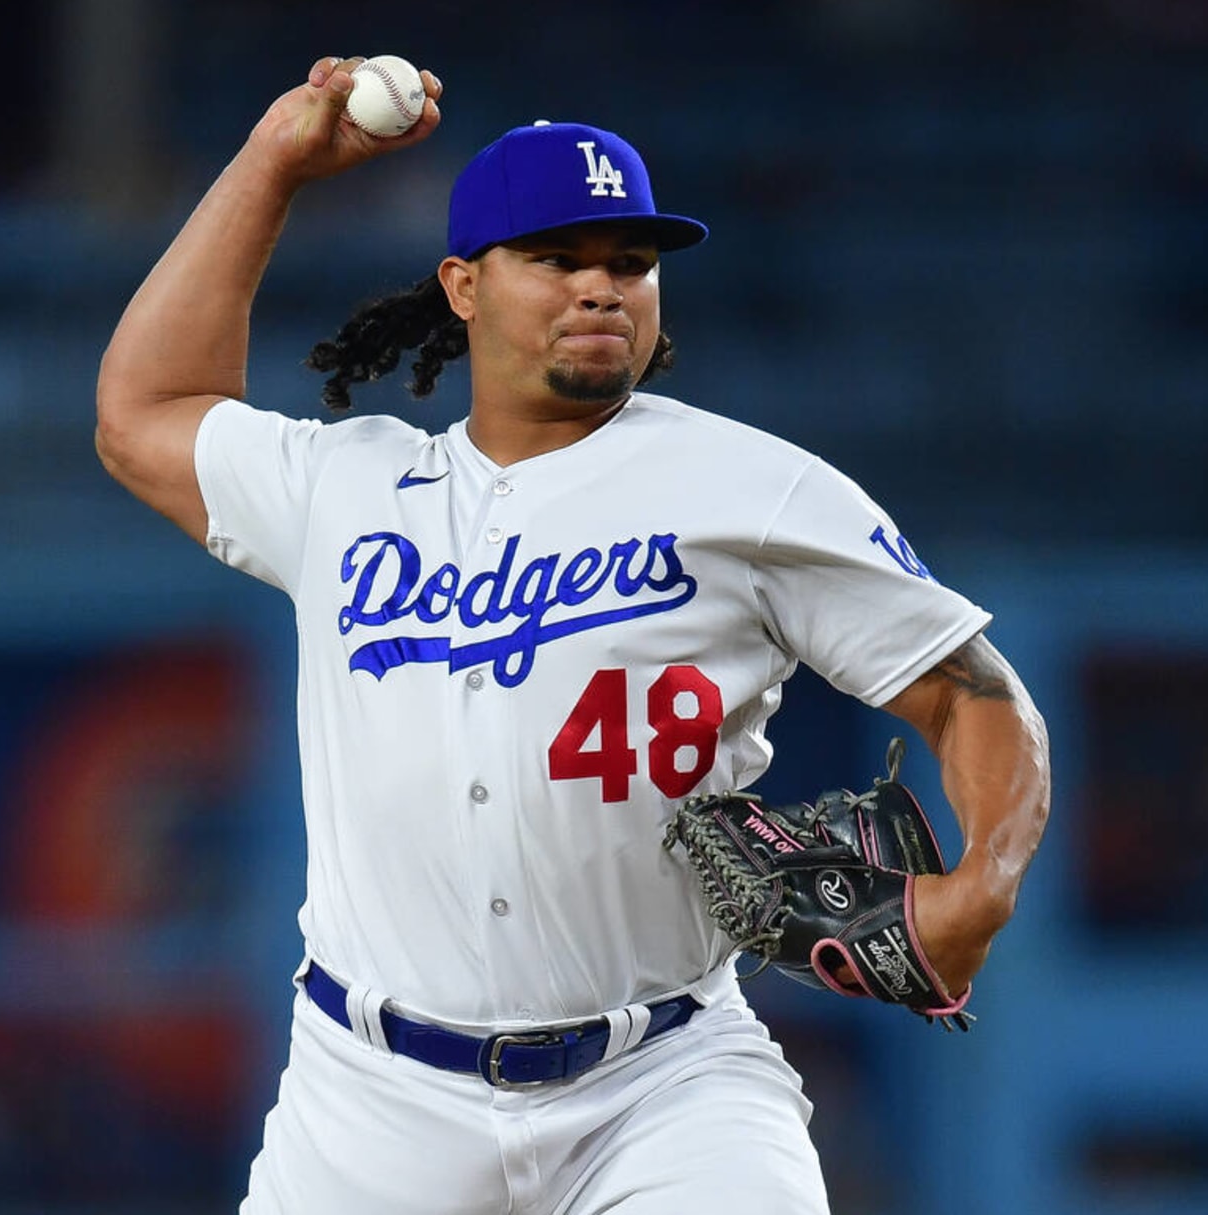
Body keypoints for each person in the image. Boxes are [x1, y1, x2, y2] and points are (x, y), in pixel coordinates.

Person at [95, 57, 1051, 1215]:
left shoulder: (751, 487)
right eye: (557, 258)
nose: (602, 288)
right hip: (372, 1099)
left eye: (631, 264)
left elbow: (970, 693)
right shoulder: (345, 487)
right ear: (463, 284)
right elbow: (145, 413)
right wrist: (273, 163)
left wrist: (981, 887)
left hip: (668, 1083)